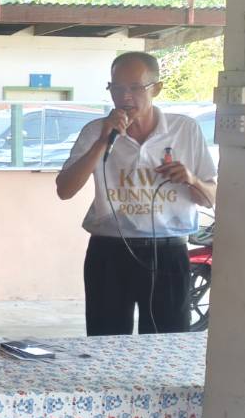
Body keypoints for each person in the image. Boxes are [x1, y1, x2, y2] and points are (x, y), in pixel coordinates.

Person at [56, 51, 216, 335]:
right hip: (109, 250)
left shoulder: (184, 129)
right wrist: (103, 141)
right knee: (105, 341)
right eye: (116, 88)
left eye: (134, 87)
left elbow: (210, 198)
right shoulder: (95, 131)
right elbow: (65, 190)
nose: (124, 97)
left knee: (166, 342)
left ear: (157, 88)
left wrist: (191, 179)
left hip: (167, 250)